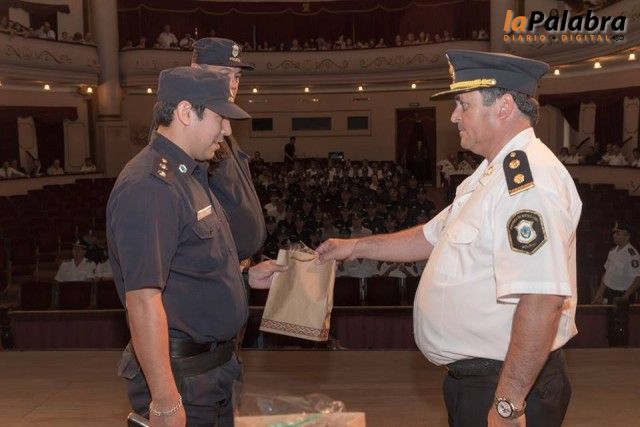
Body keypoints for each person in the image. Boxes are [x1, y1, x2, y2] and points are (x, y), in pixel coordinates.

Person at [317, 49, 581, 426]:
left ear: (504, 107)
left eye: (464, 104)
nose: (454, 116)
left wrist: (508, 404)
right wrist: (356, 246)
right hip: (480, 380)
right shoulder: (488, 176)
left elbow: (542, 298)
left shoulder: (527, 181)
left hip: (505, 384)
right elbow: (429, 237)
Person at [107, 67, 285, 427]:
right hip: (184, 381)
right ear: (186, 113)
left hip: (214, 373)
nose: (227, 130)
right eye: (220, 118)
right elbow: (142, 300)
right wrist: (165, 401)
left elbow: (189, 264)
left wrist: (246, 279)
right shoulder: (150, 187)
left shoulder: (191, 174)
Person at [190, 37, 267, 260]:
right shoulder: (189, 129)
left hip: (237, 264)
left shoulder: (222, 124)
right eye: (224, 74)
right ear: (195, 72)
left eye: (237, 76)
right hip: (216, 266)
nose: (233, 84)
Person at [592, 221, 640, 304]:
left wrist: (626, 295)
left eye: (618, 233)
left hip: (622, 295)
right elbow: (607, 274)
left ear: (627, 236)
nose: (614, 235)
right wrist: (599, 294)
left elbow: (638, 278)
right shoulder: (612, 251)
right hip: (608, 293)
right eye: (614, 233)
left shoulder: (632, 255)